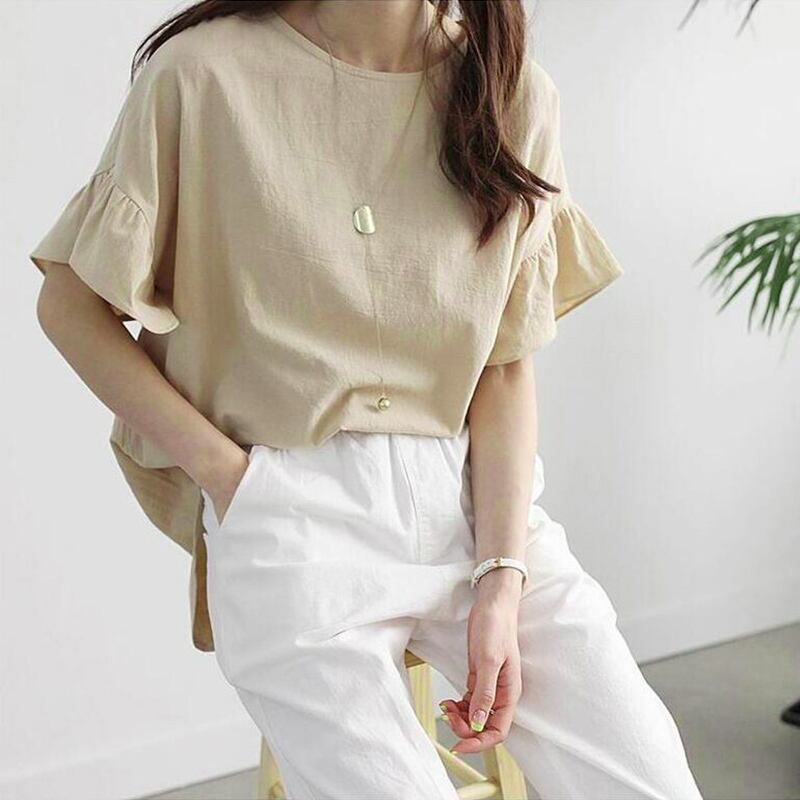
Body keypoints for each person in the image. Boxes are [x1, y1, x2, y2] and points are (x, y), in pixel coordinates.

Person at [29, 1, 704, 797]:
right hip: (292, 513)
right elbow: (70, 305)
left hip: (476, 506)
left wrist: (501, 577)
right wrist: (233, 480)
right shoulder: (199, 76)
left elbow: (504, 366)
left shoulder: (511, 90)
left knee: (651, 778)